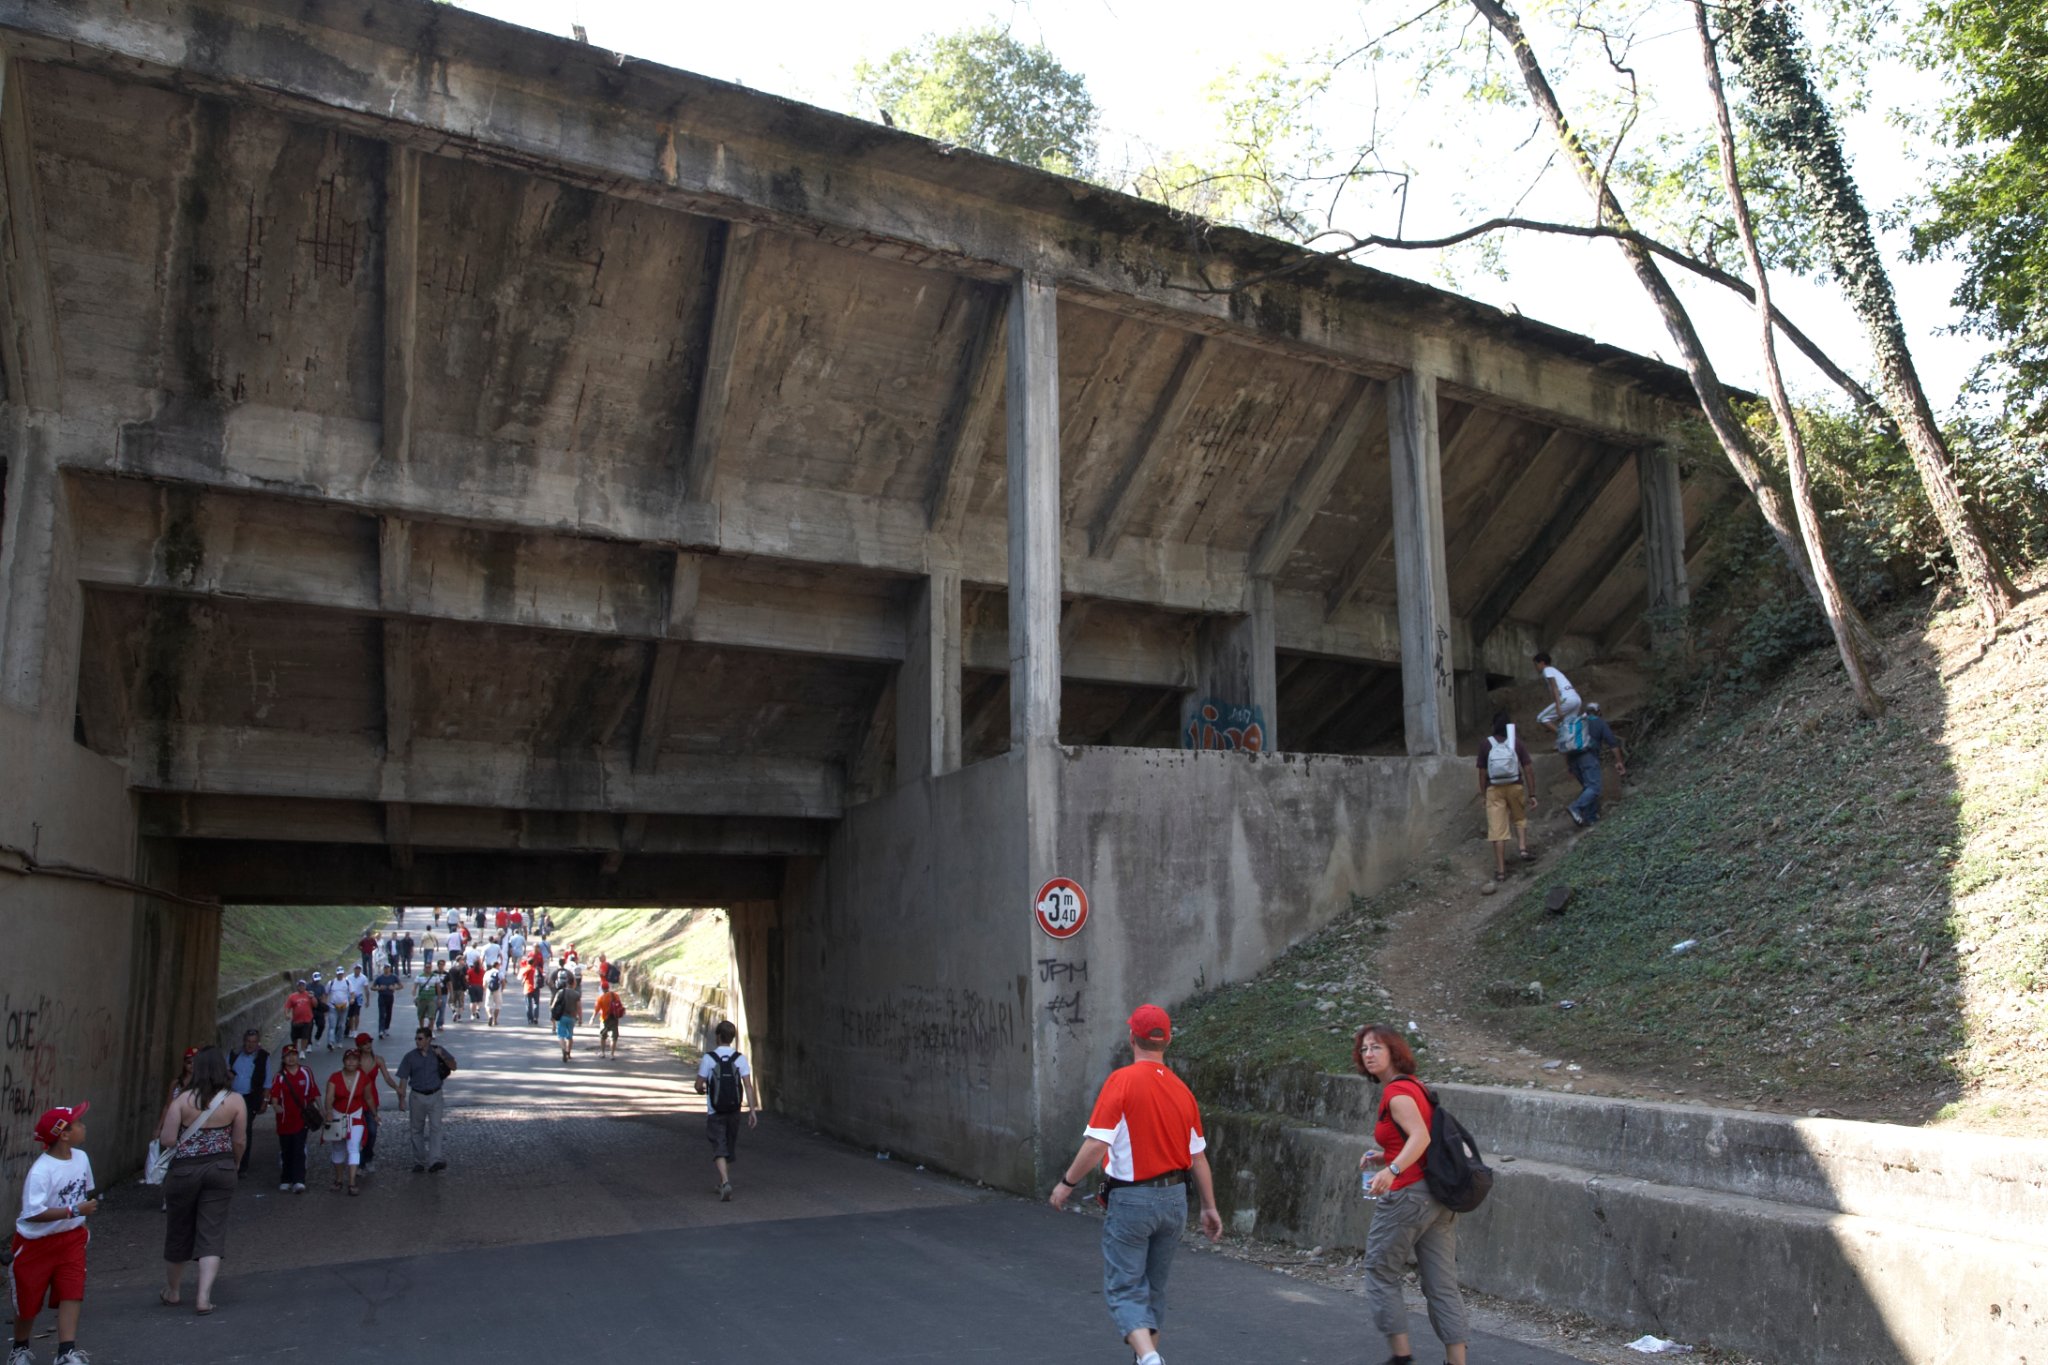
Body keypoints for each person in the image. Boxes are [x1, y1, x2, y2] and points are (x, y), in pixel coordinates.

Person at [1047, 1005, 1221, 1365]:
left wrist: (1067, 1183)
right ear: (1167, 1041)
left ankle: (1150, 1358)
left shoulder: (1122, 1081)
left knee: (1125, 1287)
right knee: (1153, 1289)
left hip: (1132, 1199)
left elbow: (1097, 1144)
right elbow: (1198, 1158)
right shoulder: (1182, 1091)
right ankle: (1145, 1358)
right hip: (1175, 1200)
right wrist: (1209, 1207)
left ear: (1131, 1038)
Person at [1355, 1024, 1469, 1365]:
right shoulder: (1416, 1087)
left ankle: (1401, 1358)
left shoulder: (1396, 1093)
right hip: (1437, 1198)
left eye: (1376, 1047)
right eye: (1364, 1049)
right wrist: (1384, 1156)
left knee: (1380, 1270)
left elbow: (1420, 1137)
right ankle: (1456, 1361)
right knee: (1441, 1284)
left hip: (1408, 1196)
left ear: (1394, 1052)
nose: (1369, 1054)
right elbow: (1413, 1142)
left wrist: (1392, 1170)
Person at [159, 1046, 246, 1315]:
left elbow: (167, 1139)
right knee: (212, 1231)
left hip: (185, 1170)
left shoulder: (182, 1100)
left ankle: (173, 1291)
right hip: (221, 1167)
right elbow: (239, 1140)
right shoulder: (235, 1101)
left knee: (178, 1230)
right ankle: (203, 1297)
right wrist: (235, 1163)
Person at [11, 1104, 97, 1365]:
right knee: (28, 1300)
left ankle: (66, 1351)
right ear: (64, 1134)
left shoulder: (81, 1158)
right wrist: (73, 1211)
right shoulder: (41, 1170)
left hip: (71, 1239)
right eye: (78, 1123)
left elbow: (82, 1191)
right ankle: (20, 1348)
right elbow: (32, 1212)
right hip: (35, 1244)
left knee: (72, 1291)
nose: (83, 1126)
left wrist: (80, 1223)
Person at [693, 1021, 760, 1200]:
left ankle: (724, 1182)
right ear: (732, 1038)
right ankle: (723, 1181)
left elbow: (698, 1084)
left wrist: (701, 1090)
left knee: (719, 1146)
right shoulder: (740, 1058)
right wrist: (752, 1111)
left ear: (718, 1036)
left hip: (715, 1110)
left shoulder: (709, 1058)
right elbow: (748, 1086)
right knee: (728, 1146)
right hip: (734, 1109)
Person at [1476, 711, 1539, 883]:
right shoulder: (1516, 743)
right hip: (1515, 785)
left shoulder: (1486, 744)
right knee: (1519, 817)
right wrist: (1532, 793)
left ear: (1493, 726)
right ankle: (1523, 849)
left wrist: (1484, 795)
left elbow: (1482, 773)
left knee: (1497, 831)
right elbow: (1528, 769)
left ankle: (1501, 871)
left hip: (1494, 789)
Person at [393, 1028, 456, 1174]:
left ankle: (435, 1160)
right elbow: (403, 1078)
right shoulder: (410, 1057)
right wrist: (401, 1099)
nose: (417, 1041)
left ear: (428, 1039)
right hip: (417, 1096)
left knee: (436, 1127)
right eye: (416, 1039)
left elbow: (454, 1066)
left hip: (435, 1094)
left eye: (420, 1039)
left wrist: (442, 1056)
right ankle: (419, 1161)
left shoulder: (438, 1051)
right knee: (416, 1129)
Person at [1560, 705, 1627, 827]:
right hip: (1588, 757)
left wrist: (1568, 765)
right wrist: (1619, 762)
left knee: (1588, 788)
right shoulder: (1599, 722)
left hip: (1572, 759)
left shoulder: (1577, 723)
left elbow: (1565, 745)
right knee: (1594, 788)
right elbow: (1612, 743)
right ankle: (1575, 807)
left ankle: (1590, 818)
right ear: (1598, 712)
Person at [322, 1049, 374, 1195]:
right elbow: (329, 1097)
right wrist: (329, 1112)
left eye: (354, 1059)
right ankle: (338, 1179)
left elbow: (368, 1097)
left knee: (353, 1147)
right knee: (338, 1148)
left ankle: (352, 1182)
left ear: (358, 1062)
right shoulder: (335, 1077)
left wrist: (374, 1114)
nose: (351, 1062)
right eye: (348, 1059)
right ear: (344, 1061)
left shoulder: (363, 1078)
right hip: (337, 1117)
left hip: (356, 1117)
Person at [267, 1047, 319, 1193]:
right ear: (283, 1059)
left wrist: (321, 1109)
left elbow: (313, 1091)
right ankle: (286, 1178)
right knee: (286, 1149)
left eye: (294, 1055)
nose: (291, 1058)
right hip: (284, 1120)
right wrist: (276, 1106)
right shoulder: (279, 1077)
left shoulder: (306, 1072)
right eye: (288, 1056)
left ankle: (299, 1179)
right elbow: (274, 1096)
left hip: (301, 1118)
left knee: (299, 1148)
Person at [352, 1032, 397, 1175]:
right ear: (359, 1046)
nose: (368, 1045)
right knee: (358, 1133)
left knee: (372, 1131)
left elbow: (387, 1078)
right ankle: (360, 1163)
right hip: (356, 1100)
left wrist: (397, 1088)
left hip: (372, 1099)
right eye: (364, 1043)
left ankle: (368, 1156)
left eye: (369, 1042)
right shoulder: (354, 1060)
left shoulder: (378, 1060)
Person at [227, 1029, 270, 1176]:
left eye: (254, 1042)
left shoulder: (263, 1057)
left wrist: (265, 1101)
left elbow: (267, 1082)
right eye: (248, 1041)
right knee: (229, 1129)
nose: (250, 1045)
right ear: (244, 1041)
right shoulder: (234, 1054)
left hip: (250, 1098)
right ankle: (229, 1161)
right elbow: (224, 1072)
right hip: (232, 1096)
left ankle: (242, 1165)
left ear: (258, 1043)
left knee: (245, 1130)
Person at [1533, 650, 1582, 732]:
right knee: (1569, 726)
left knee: (1541, 718)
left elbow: (1554, 687)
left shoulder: (1547, 670)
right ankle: (1571, 739)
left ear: (1542, 663)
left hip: (1567, 698)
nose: (1535, 668)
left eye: (1536, 664)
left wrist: (1558, 707)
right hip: (1576, 699)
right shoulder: (1555, 670)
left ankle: (1562, 736)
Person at [549, 971, 582, 1063]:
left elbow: (553, 1005)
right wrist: (580, 1019)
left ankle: (563, 1049)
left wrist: (553, 1016)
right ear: (574, 984)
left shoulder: (560, 992)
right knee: (570, 1036)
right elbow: (579, 1008)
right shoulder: (576, 994)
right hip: (572, 1017)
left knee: (561, 1035)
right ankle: (568, 1053)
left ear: (567, 983)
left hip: (562, 1017)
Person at [593, 980, 624, 1058]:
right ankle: (612, 1054)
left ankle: (603, 1053)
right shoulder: (615, 995)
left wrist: (592, 1018)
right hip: (614, 1018)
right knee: (613, 1037)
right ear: (608, 987)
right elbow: (619, 1005)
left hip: (604, 1019)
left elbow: (596, 1009)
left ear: (602, 988)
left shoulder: (601, 998)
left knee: (603, 1036)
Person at [284, 980, 316, 1055]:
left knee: (305, 1036)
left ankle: (302, 1051)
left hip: (307, 1020)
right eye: (300, 986)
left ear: (305, 986)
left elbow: (315, 1005)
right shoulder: (292, 996)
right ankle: (295, 1049)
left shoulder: (309, 994)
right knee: (294, 1037)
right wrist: (286, 1014)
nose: (301, 987)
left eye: (303, 985)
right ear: (297, 987)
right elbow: (287, 1007)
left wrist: (312, 998)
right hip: (296, 1021)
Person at [371, 962, 402, 1038]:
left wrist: (394, 988)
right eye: (385, 968)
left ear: (390, 968)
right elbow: (372, 987)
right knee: (382, 1014)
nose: (386, 969)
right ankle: (381, 1031)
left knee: (388, 1013)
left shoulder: (393, 977)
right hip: (382, 997)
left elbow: (401, 986)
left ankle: (386, 1028)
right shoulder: (379, 978)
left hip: (390, 996)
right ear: (383, 969)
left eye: (388, 968)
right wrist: (379, 988)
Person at [322, 971, 350, 1050]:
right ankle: (330, 1042)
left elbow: (352, 992)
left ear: (343, 974)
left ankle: (339, 1041)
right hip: (333, 1007)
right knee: (332, 1025)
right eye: (338, 974)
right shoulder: (331, 983)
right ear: (336, 974)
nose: (340, 975)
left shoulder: (347, 982)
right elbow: (326, 994)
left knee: (341, 1025)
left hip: (344, 1007)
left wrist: (352, 999)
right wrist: (324, 1004)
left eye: (341, 974)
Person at [343, 965, 367, 1037]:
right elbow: (344, 987)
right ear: (354, 970)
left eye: (359, 969)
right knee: (350, 1015)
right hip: (350, 996)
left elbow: (366, 989)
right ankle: (351, 1030)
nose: (357, 970)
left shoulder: (363, 978)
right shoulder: (349, 977)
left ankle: (355, 1030)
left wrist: (368, 1000)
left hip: (359, 996)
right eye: (356, 969)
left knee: (356, 1014)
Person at [309, 972, 331, 1049]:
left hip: (319, 1007)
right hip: (310, 1007)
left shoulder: (321, 987)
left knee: (322, 1024)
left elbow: (324, 997)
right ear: (312, 979)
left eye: (318, 980)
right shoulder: (308, 986)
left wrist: (324, 1008)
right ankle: (309, 1044)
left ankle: (317, 1037)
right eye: (315, 980)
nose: (316, 981)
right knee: (309, 1026)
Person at [520, 953, 543, 1026]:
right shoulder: (537, 969)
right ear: (533, 962)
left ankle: (530, 1019)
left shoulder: (526, 968)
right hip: (536, 987)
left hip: (528, 988)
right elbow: (543, 975)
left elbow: (521, 976)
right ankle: (536, 1018)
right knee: (536, 1003)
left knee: (528, 1005)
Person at [442, 960, 466, 1027]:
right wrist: (464, 987)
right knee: (460, 1003)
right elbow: (463, 979)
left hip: (452, 988)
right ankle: (459, 1016)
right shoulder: (460, 970)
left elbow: (447, 979)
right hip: (460, 988)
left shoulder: (450, 970)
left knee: (451, 1002)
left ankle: (454, 1011)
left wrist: (447, 986)